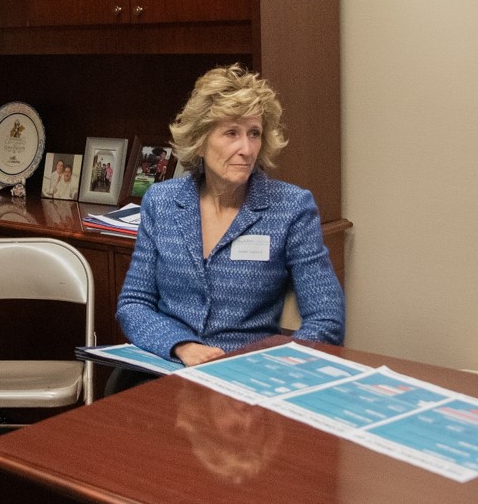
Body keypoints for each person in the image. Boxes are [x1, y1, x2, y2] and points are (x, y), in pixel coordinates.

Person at [118, 64, 345, 367]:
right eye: (231, 133)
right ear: (200, 140)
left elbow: (327, 318)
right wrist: (181, 346)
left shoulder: (291, 208)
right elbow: (134, 303)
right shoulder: (162, 202)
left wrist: (277, 369)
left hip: (250, 377)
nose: (247, 149)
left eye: (254, 133)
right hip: (170, 368)